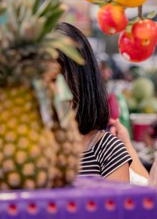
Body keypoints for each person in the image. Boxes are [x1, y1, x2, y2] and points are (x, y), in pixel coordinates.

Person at [54, 22, 149, 182]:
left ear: (83, 78)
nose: (52, 90)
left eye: (58, 77)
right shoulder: (21, 146)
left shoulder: (107, 150)